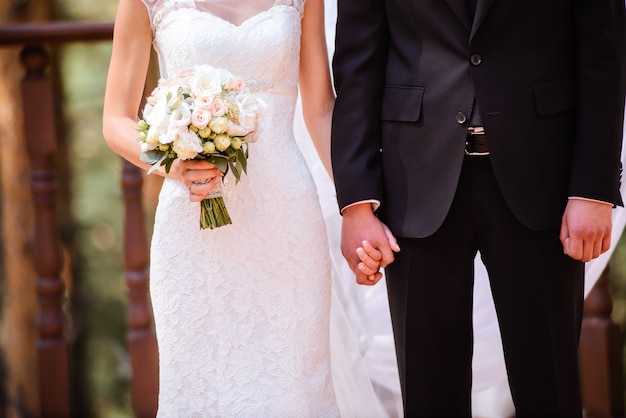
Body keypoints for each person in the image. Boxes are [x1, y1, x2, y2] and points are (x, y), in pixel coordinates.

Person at [331, 1, 626, 417]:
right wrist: (357, 203)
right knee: (429, 396)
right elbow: (356, 69)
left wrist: (593, 189)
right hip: (416, 181)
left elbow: (604, 50)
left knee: (551, 391)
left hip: (542, 179)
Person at [101, 0, 395, 415]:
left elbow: (321, 109)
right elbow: (114, 120)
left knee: (295, 383)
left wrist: (360, 207)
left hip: (287, 221)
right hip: (192, 228)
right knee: (203, 385)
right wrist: (174, 162)